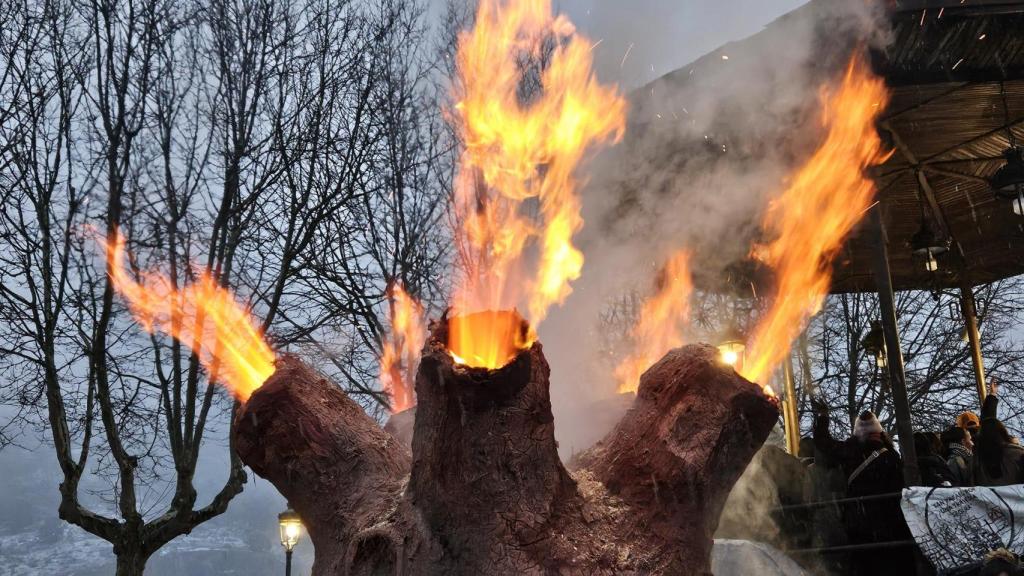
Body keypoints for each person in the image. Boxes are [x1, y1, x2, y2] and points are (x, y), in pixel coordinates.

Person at [813, 408, 912, 575]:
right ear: (880, 433)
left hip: (858, 520)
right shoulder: (892, 457)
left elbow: (824, 444)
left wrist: (823, 418)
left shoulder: (850, 451)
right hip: (887, 524)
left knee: (864, 564)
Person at [975, 380, 1024, 486]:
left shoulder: (977, 459)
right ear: (1003, 432)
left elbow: (988, 426)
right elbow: (988, 425)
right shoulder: (1016, 454)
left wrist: (992, 395)